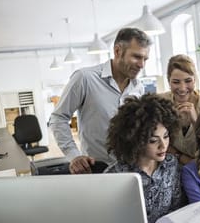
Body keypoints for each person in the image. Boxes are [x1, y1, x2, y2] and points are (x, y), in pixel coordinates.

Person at [49, 27, 152, 174]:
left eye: (145, 59)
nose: (141, 65)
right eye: (136, 57)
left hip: (130, 169)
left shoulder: (138, 87)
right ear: (117, 51)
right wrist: (74, 156)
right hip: (96, 169)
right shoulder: (84, 78)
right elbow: (58, 118)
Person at [104, 94, 183, 223]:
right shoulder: (114, 175)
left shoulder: (171, 164)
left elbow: (177, 209)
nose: (163, 145)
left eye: (166, 136)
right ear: (136, 141)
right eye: (153, 140)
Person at [158, 54, 200, 165]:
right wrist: (181, 157)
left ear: (195, 80)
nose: (182, 88)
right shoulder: (161, 102)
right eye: (176, 82)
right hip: (171, 165)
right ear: (168, 81)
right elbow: (154, 140)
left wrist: (196, 121)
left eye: (188, 81)